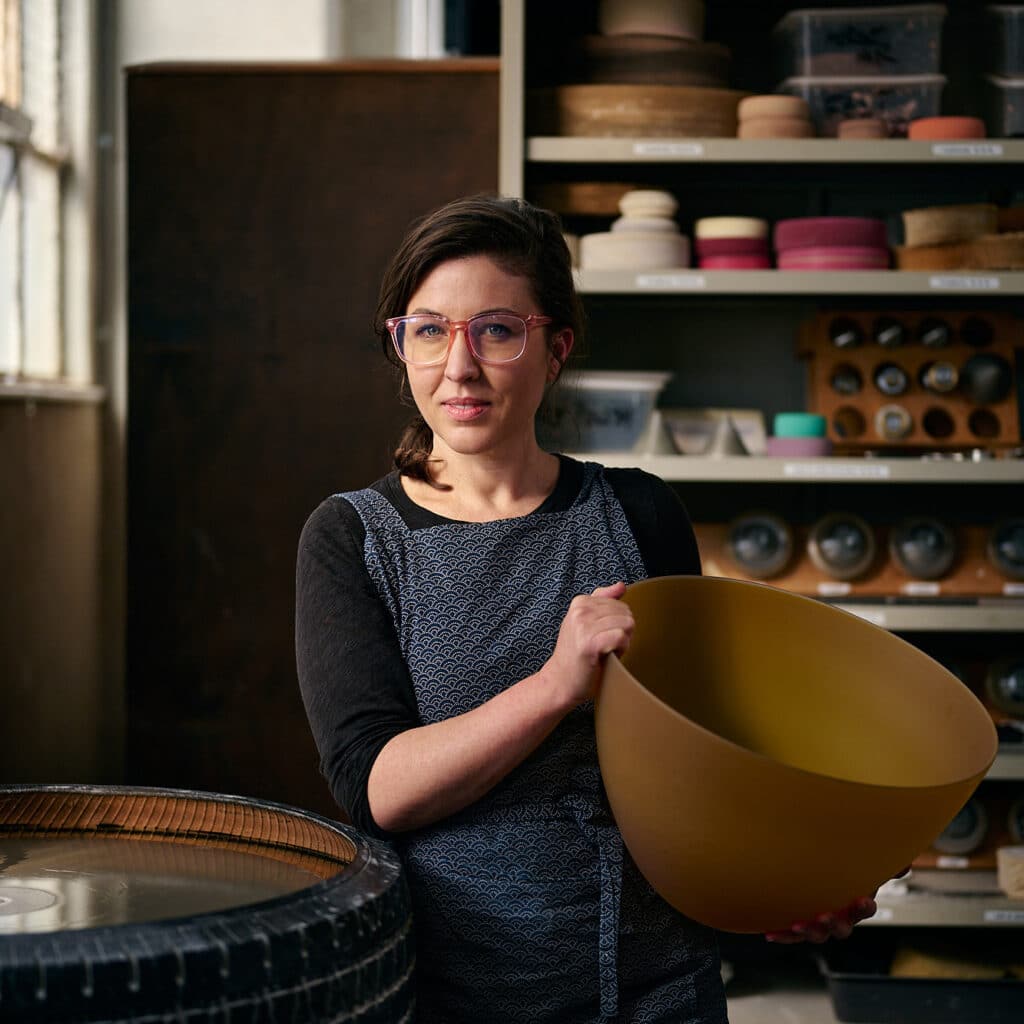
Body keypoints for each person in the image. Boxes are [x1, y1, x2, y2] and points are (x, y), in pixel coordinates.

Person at [295, 194, 875, 1023]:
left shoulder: (638, 513)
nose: (458, 367)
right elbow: (377, 787)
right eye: (428, 330)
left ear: (554, 348)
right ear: (401, 346)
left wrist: (781, 888)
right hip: (464, 993)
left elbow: (704, 754)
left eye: (496, 329)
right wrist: (555, 684)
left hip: (663, 986)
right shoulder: (354, 537)